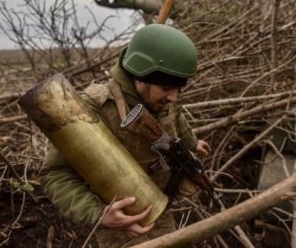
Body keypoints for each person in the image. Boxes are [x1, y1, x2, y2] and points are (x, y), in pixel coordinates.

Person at [40, 24, 211, 247]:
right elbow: (55, 174)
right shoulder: (90, 109)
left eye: (179, 88)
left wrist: (192, 143)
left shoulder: (163, 97)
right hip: (122, 229)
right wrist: (98, 213)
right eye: (168, 88)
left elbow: (175, 118)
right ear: (141, 76)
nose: (174, 98)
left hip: (162, 211)